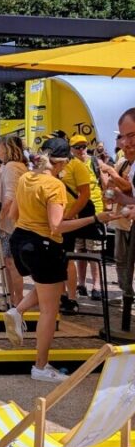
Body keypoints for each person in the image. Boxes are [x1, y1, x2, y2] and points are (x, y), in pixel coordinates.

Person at [3, 138, 117, 382]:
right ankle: (40, 366)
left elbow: (13, 215)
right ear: (64, 161)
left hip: (21, 241)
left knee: (49, 288)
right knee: (49, 310)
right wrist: (95, 219)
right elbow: (57, 226)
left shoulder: (26, 178)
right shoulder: (54, 185)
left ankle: (18, 310)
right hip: (44, 245)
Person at [0, 134, 30, 306]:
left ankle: (17, 300)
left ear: (6, 147)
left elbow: (9, 199)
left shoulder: (12, 167)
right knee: (8, 262)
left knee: (11, 263)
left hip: (10, 223)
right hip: (7, 222)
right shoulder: (7, 166)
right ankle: (13, 299)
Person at [63, 135, 104, 304]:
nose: (81, 150)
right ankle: (81, 283)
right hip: (76, 212)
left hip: (94, 210)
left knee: (93, 250)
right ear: (71, 148)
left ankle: (96, 285)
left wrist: (107, 205)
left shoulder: (94, 162)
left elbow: (104, 183)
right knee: (79, 250)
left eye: (83, 146)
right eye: (77, 147)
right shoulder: (70, 164)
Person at [102, 108, 135, 308]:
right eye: (123, 136)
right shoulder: (130, 164)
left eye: (132, 135)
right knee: (122, 260)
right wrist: (120, 198)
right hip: (125, 223)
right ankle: (127, 294)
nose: (126, 142)